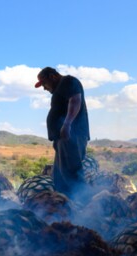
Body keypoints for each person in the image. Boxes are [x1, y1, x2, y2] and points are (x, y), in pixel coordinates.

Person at [35, 66, 90, 198]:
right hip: (63, 138)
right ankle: (65, 206)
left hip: (71, 136)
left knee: (72, 173)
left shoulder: (68, 82)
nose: (44, 88)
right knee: (61, 176)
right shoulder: (60, 88)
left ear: (52, 77)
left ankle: (83, 205)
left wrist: (67, 124)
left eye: (44, 84)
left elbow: (75, 100)